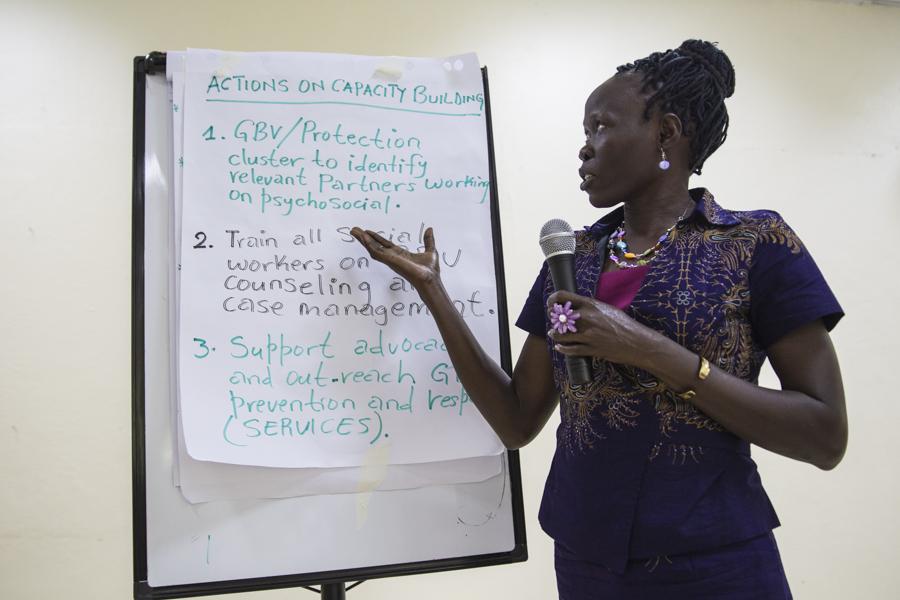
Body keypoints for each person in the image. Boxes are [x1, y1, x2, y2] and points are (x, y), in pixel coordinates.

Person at [351, 39, 846, 599]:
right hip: (587, 561)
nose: (584, 148)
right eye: (585, 131)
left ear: (665, 134)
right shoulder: (573, 258)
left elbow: (825, 436)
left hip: (715, 561)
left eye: (601, 127)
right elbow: (516, 421)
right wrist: (433, 290)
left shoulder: (754, 244)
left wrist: (649, 349)